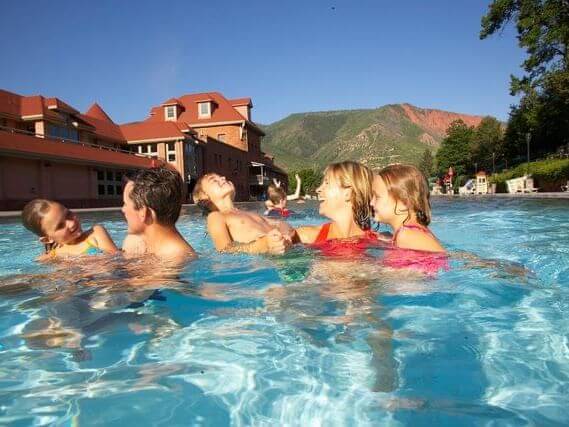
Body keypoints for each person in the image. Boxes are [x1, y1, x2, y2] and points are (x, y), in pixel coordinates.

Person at [293, 161, 378, 256]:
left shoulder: (381, 241)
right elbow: (277, 237)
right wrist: (273, 242)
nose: (318, 190)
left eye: (327, 183)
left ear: (348, 193)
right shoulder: (305, 236)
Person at [192, 173, 291, 254]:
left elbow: (280, 223)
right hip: (263, 259)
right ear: (204, 199)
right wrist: (264, 245)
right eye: (214, 180)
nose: (223, 177)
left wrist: (286, 234)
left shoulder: (250, 214)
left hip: (284, 248)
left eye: (221, 176)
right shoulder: (216, 216)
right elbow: (224, 251)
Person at [121, 166, 196, 263]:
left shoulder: (175, 260)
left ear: (144, 213)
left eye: (126, 204)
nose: (123, 209)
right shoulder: (137, 241)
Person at [371, 164, 445, 253]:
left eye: (377, 197)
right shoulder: (411, 233)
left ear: (404, 203)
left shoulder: (407, 235)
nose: (371, 202)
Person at [21, 199, 117, 260]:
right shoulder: (52, 256)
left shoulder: (95, 233)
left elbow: (115, 259)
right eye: (60, 225)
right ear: (47, 239)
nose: (71, 223)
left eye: (68, 214)